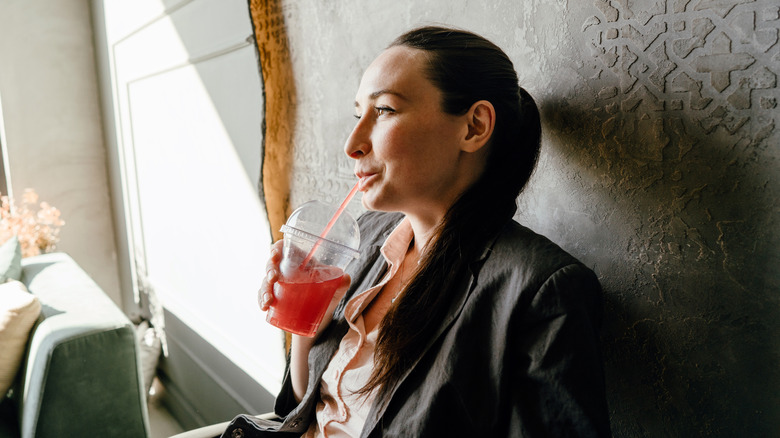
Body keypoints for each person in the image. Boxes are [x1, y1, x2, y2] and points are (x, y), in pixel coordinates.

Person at [227, 26, 610, 437]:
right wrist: (306, 330)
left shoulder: (542, 292)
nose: (352, 144)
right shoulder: (365, 237)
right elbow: (311, 408)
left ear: (474, 127)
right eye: (360, 114)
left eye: (385, 110)